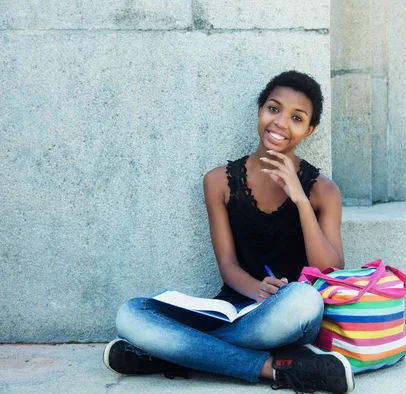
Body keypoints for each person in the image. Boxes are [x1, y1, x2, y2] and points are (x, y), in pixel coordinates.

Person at [103, 71, 354, 394]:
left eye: (296, 117)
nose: (279, 123)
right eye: (273, 109)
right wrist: (257, 291)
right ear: (260, 110)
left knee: (305, 299)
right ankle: (274, 368)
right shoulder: (218, 181)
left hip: (286, 317)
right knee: (131, 315)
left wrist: (301, 200)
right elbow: (227, 265)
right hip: (236, 313)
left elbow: (329, 272)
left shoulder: (324, 191)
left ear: (309, 130)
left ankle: (168, 354)